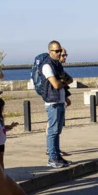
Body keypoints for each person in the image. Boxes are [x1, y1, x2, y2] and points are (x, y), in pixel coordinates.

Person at [31, 40, 72, 168]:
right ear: (50, 51)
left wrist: (63, 83)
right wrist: (63, 82)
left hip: (59, 101)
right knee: (52, 131)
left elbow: (70, 79)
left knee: (57, 131)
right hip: (52, 102)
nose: (59, 53)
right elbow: (56, 84)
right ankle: (52, 158)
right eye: (57, 51)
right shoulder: (47, 66)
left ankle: (57, 156)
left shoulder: (58, 65)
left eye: (60, 51)